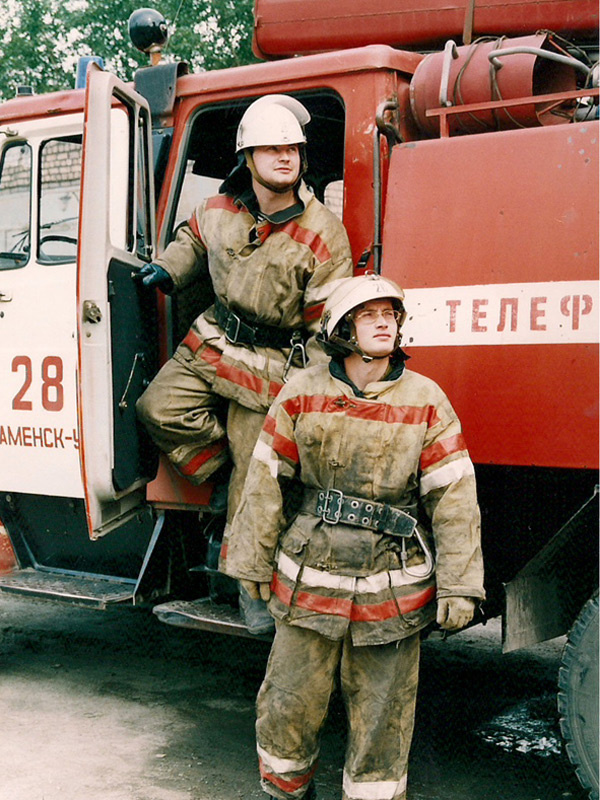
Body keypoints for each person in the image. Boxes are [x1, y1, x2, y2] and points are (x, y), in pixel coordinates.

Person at [223, 273, 485, 800]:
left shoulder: (427, 400)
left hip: (390, 592)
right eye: (369, 315)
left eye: (391, 314)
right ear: (342, 329)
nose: (384, 323)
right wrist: (250, 562)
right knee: (287, 706)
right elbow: (265, 478)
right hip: (309, 581)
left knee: (383, 721)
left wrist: (461, 585)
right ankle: (285, 791)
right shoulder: (302, 392)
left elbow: (454, 497)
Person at [135, 94, 353, 631]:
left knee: (258, 471)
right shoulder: (218, 209)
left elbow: (328, 326)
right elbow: (191, 238)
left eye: (292, 149)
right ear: (248, 158)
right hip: (212, 340)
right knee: (156, 408)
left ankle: (248, 583)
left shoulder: (324, 232)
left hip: (272, 364)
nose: (285, 157)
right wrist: (168, 269)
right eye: (272, 149)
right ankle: (222, 479)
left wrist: (307, 394)